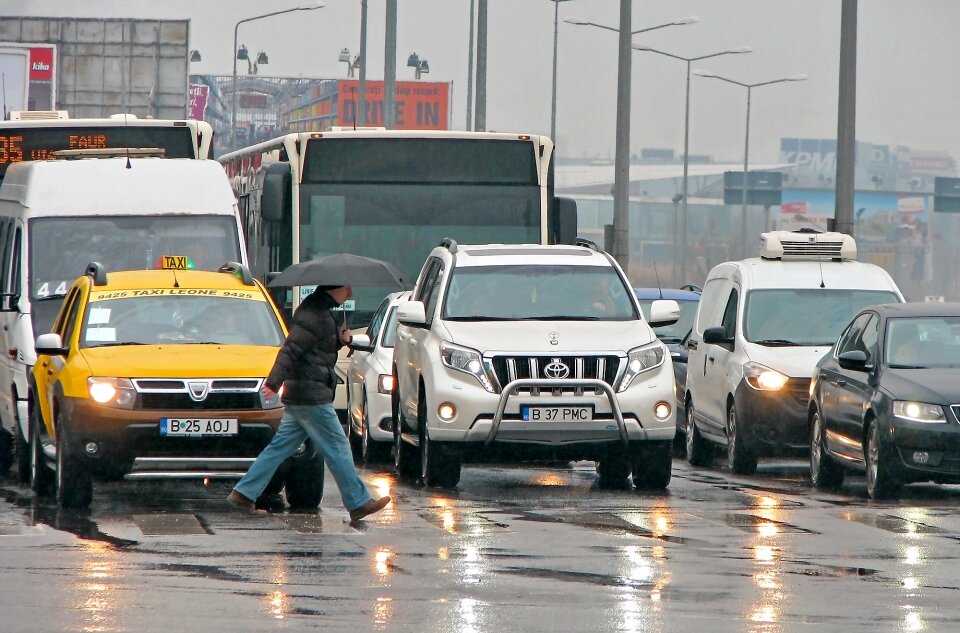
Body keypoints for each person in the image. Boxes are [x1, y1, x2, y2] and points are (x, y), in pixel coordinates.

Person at [227, 284, 391, 522]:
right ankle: (358, 502)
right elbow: (291, 350)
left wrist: (340, 340)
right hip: (310, 394)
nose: (351, 293)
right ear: (334, 288)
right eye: (348, 288)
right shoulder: (315, 315)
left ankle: (243, 493)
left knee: (279, 448)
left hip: (303, 393)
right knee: (338, 446)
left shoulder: (318, 312)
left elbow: (313, 349)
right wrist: (273, 382)